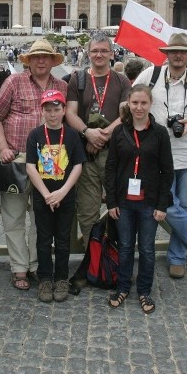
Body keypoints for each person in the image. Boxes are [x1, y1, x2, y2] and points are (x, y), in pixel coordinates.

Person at [133, 32, 187, 279]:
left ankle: (177, 258)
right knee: (168, 206)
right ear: (166, 54)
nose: (178, 56)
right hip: (159, 157)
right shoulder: (151, 76)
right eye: (173, 52)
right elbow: (132, 99)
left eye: (183, 52)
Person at [0, 40, 67, 291]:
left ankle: (37, 264)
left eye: (45, 56)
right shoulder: (13, 82)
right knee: (13, 216)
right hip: (17, 158)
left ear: (52, 61)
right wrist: (2, 147)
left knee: (41, 218)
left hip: (49, 162)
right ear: (29, 61)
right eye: (36, 57)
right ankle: (18, 267)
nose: (41, 61)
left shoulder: (62, 86)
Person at [64, 32, 131, 274]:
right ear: (88, 53)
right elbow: (69, 113)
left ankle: (117, 258)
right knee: (88, 209)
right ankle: (94, 261)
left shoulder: (122, 81)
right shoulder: (77, 78)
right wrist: (86, 133)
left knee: (120, 206)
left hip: (115, 155)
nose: (99, 55)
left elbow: (125, 113)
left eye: (104, 50)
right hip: (86, 156)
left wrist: (101, 136)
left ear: (112, 53)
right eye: (95, 51)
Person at [105, 84, 173, 314]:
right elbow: (111, 168)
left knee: (146, 248)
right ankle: (123, 286)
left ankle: (144, 290)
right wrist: (111, 202)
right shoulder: (119, 132)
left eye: (143, 103)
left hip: (149, 201)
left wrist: (162, 204)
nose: (139, 107)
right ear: (128, 105)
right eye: (135, 103)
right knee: (124, 247)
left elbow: (168, 171)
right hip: (124, 200)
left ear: (150, 104)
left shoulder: (160, 133)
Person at [26, 89, 85, 303]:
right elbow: (31, 166)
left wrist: (62, 192)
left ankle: (61, 277)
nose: (52, 114)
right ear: (42, 111)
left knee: (62, 239)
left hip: (65, 195)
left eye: (56, 109)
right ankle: (44, 278)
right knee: (43, 238)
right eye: (48, 110)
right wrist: (46, 194)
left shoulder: (71, 135)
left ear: (63, 111)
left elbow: (78, 165)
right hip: (43, 195)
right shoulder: (35, 135)